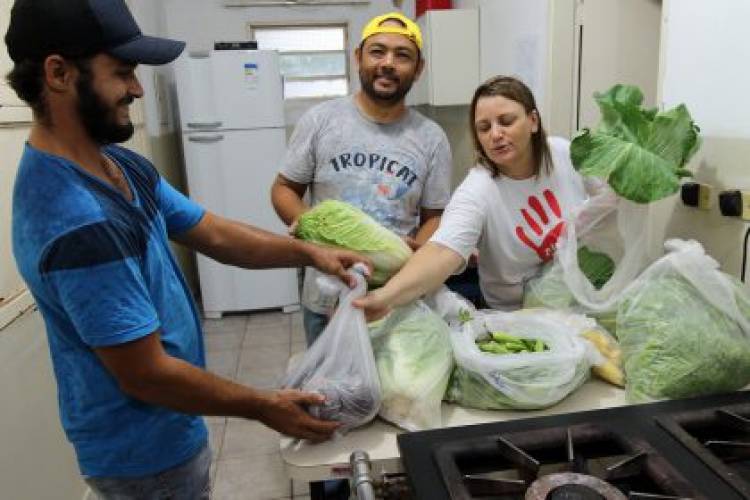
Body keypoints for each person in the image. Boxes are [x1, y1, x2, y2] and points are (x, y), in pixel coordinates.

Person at [5, 0, 371, 498]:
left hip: (171, 427)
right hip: (140, 454)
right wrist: (263, 404)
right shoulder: (76, 222)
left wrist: (310, 254)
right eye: (122, 73)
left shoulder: (119, 165)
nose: (136, 88)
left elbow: (213, 232)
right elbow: (148, 376)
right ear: (58, 73)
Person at [271, 11, 453, 346]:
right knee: (331, 392)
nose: (388, 63)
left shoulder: (432, 138)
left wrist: (420, 247)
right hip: (326, 293)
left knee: (396, 392)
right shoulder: (320, 121)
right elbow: (284, 189)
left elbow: (435, 217)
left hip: (396, 293)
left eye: (402, 56)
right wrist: (313, 232)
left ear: (418, 68)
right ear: (358, 57)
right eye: (377, 51)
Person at [355, 75, 593, 317]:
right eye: (484, 127)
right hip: (517, 318)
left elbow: (611, 199)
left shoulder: (564, 153)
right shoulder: (478, 190)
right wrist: (383, 298)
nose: (496, 134)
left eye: (506, 121)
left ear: (533, 121)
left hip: (582, 300)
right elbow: (441, 252)